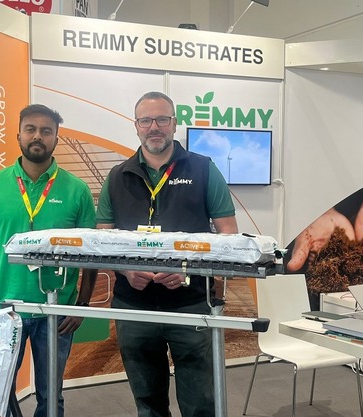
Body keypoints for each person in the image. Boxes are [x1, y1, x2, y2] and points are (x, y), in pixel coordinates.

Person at [96, 91, 238, 417]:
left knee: (201, 403)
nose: (154, 127)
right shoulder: (117, 176)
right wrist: (125, 270)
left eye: (162, 119)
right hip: (134, 307)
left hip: (191, 304)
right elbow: (102, 239)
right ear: (136, 126)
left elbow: (228, 236)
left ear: (174, 124)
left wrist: (188, 269)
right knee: (148, 404)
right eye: (146, 120)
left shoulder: (204, 170)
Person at [0, 104, 98, 417]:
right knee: (0, 394)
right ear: (18, 136)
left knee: (51, 396)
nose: (38, 136)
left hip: (56, 312)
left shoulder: (77, 190)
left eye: (46, 131)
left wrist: (81, 304)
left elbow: (90, 253)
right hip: (4, 309)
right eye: (31, 129)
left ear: (56, 139)